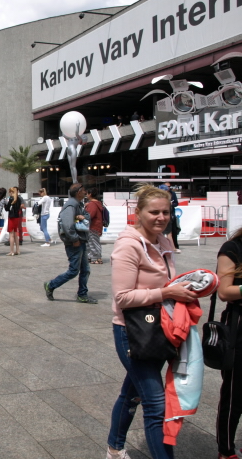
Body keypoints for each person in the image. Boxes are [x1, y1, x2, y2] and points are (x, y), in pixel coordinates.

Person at [106, 183, 198, 459]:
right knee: (156, 405)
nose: (161, 217)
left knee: (132, 393)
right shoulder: (128, 246)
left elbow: (165, 283)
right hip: (133, 331)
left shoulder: (163, 242)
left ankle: (113, 448)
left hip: (158, 327)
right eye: (154, 212)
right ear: (138, 213)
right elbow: (122, 297)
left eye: (166, 212)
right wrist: (166, 292)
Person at [214, 228, 242, 459]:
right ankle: (226, 450)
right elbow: (224, 291)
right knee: (234, 393)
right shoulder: (233, 248)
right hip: (239, 326)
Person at [44, 183, 95, 303]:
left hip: (80, 241)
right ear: (78, 192)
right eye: (83, 190)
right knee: (73, 271)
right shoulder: (71, 205)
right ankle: (51, 285)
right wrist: (75, 239)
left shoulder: (78, 204)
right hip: (75, 243)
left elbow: (86, 218)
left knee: (85, 269)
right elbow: (67, 225)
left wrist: (82, 217)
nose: (85, 192)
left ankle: (82, 294)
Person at [160, 183, 180, 253]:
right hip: (165, 217)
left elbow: (176, 203)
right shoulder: (161, 198)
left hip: (169, 217)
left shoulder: (171, 194)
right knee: (162, 233)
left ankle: (173, 247)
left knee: (169, 233)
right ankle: (166, 247)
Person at [85, 187, 104, 264]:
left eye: (87, 193)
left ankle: (97, 258)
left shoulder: (92, 204)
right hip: (97, 226)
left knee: (93, 242)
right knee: (90, 242)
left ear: (90, 194)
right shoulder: (98, 203)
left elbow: (89, 215)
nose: (86, 195)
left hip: (93, 226)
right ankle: (91, 257)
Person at [5, 187, 25, 256]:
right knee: (15, 234)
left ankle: (11, 251)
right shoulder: (19, 199)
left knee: (11, 235)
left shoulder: (11, 199)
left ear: (11, 192)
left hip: (11, 217)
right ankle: (17, 250)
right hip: (17, 216)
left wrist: (5, 204)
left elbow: (7, 208)